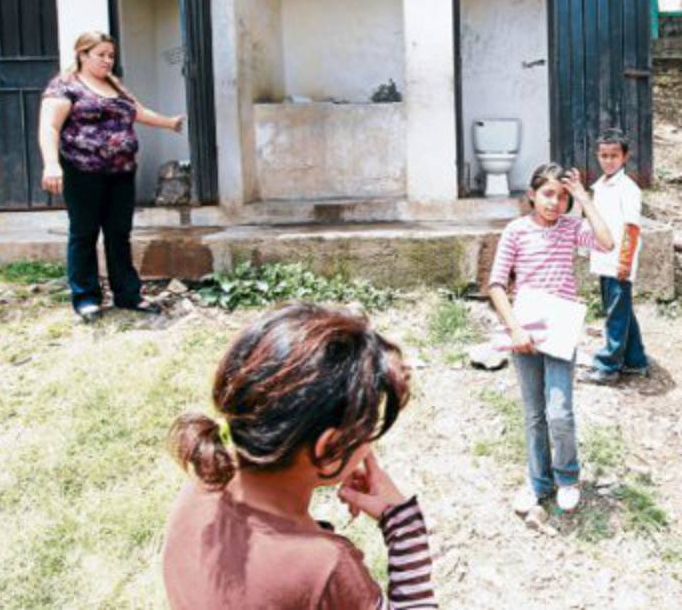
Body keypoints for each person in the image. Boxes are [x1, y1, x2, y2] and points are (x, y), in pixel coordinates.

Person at [162, 304, 436, 609]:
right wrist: (404, 525)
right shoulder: (325, 569)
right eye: (369, 426)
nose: (370, 446)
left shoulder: (205, 478)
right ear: (329, 448)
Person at [488, 162, 614, 513]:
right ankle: (537, 481)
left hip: (560, 330)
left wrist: (584, 200)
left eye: (561, 197)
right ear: (531, 195)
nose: (554, 203)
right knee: (534, 414)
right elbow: (497, 284)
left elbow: (606, 242)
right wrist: (515, 328)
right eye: (547, 194)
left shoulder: (571, 228)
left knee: (559, 411)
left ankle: (567, 477)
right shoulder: (515, 231)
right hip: (525, 330)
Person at [38, 31, 185, 322]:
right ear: (82, 55)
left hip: (121, 173)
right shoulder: (65, 87)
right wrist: (51, 164)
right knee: (84, 234)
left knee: (119, 235)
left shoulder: (114, 86)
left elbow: (137, 113)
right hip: (82, 172)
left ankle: (128, 295)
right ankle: (86, 298)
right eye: (101, 55)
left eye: (110, 55)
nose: (107, 60)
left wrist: (169, 123)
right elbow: (50, 127)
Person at [581, 128, 650, 385]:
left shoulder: (628, 189)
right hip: (603, 260)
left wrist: (624, 262)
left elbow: (631, 228)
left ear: (624, 157)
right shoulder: (600, 187)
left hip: (618, 263)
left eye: (613, 156)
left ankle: (608, 366)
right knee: (622, 311)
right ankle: (635, 359)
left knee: (615, 315)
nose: (608, 160)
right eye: (604, 155)